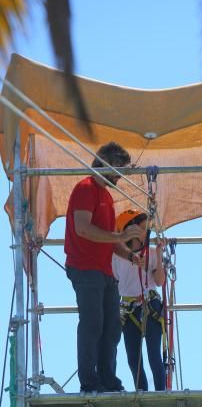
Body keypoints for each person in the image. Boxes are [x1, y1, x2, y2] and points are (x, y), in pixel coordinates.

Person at [65, 142, 145, 392]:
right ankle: (90, 382)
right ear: (107, 165)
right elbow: (83, 228)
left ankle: (107, 378)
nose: (119, 178)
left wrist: (131, 256)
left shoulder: (107, 197)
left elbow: (108, 240)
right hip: (85, 267)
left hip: (103, 270)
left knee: (111, 326)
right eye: (118, 171)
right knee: (92, 323)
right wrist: (121, 238)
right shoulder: (86, 188)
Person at [112, 209, 166, 391]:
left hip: (150, 304)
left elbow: (159, 281)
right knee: (134, 359)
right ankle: (141, 393)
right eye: (143, 228)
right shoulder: (116, 257)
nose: (146, 232)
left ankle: (161, 393)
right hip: (128, 309)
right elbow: (113, 283)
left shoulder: (150, 253)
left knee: (153, 355)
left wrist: (158, 255)